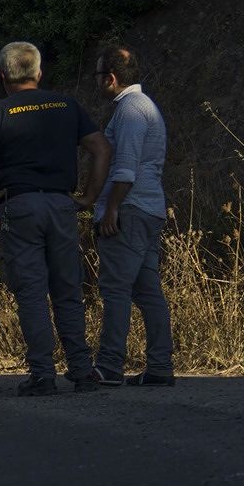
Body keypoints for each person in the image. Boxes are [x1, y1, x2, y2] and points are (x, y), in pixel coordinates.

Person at [0, 42, 112, 396]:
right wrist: (89, 196)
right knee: (67, 289)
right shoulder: (67, 105)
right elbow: (101, 148)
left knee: (31, 292)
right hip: (61, 204)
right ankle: (81, 370)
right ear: (39, 73)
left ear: (3, 76)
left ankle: (43, 374)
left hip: (21, 206)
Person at [92, 45, 174, 386]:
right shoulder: (145, 107)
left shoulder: (129, 110)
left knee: (115, 289)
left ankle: (110, 366)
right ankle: (159, 367)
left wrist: (111, 207)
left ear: (110, 78)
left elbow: (125, 168)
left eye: (98, 76)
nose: (97, 82)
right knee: (147, 291)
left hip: (129, 209)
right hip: (149, 209)